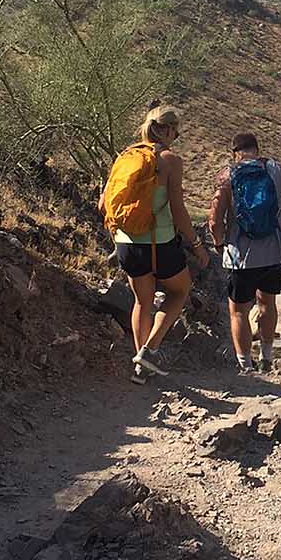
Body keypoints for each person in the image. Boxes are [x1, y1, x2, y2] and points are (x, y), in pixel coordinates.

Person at [103, 106, 209, 385]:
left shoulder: (126, 156)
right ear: (166, 129)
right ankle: (150, 350)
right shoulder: (170, 160)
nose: (176, 136)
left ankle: (141, 367)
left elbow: (103, 203)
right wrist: (197, 245)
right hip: (158, 243)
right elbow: (178, 209)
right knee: (180, 290)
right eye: (176, 131)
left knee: (142, 301)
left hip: (125, 242)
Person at [208, 132, 281, 373]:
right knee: (268, 303)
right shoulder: (277, 170)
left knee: (238, 311)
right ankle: (266, 357)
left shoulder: (227, 176)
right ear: (257, 149)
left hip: (240, 257)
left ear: (234, 153)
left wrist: (219, 242)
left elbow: (214, 220)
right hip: (274, 254)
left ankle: (246, 366)